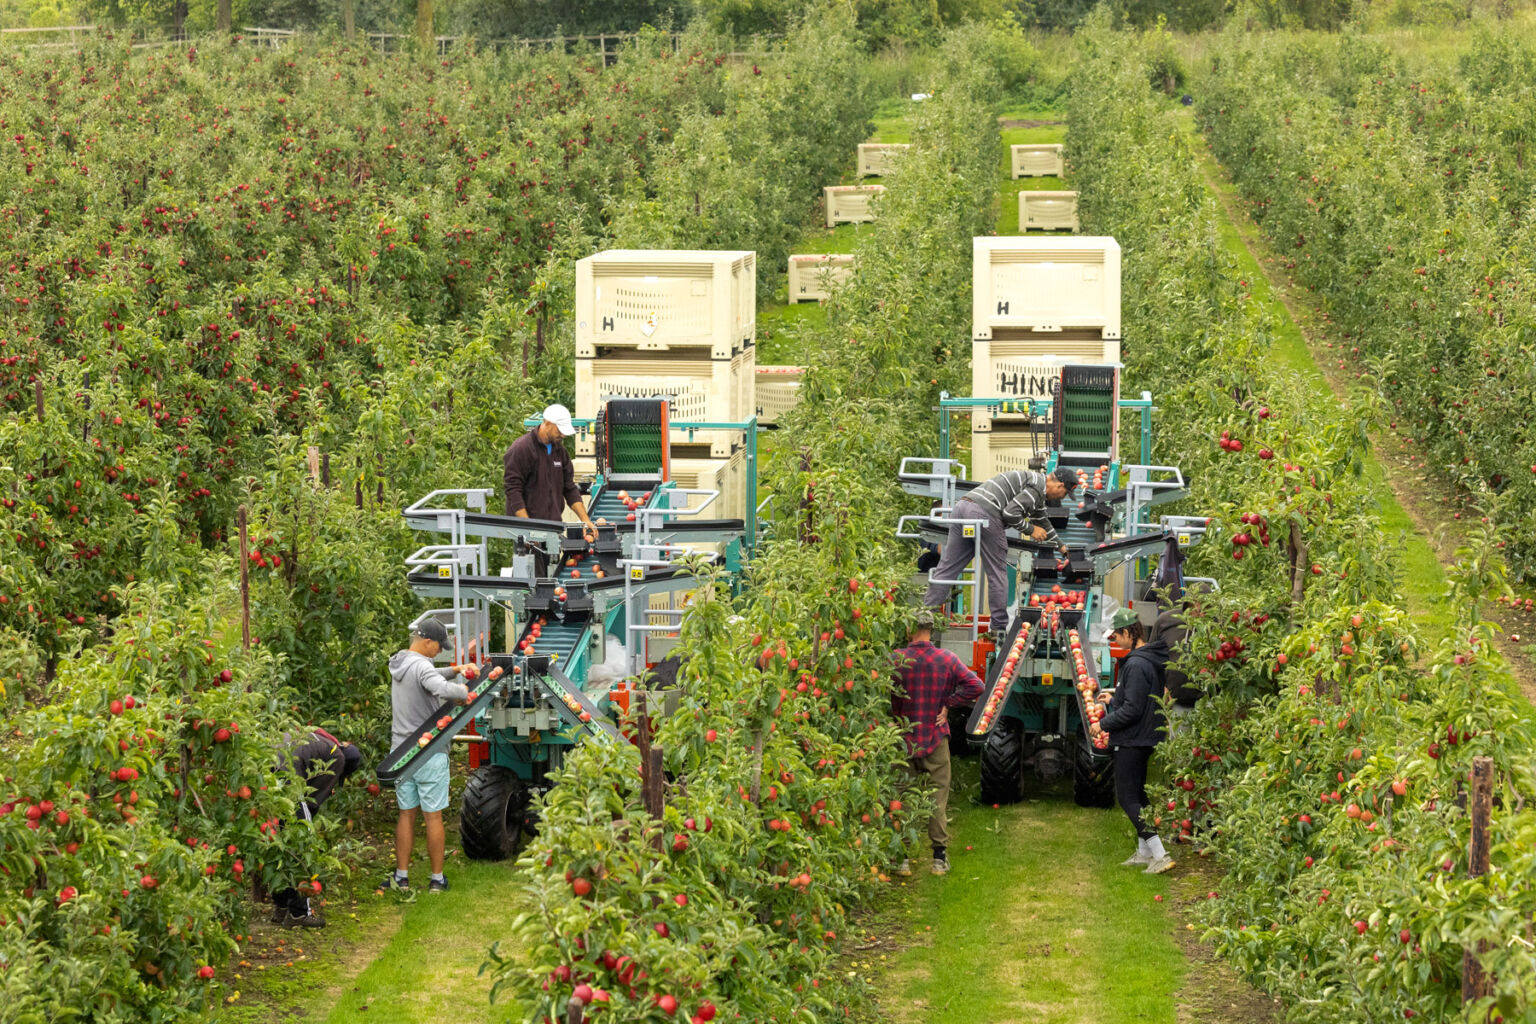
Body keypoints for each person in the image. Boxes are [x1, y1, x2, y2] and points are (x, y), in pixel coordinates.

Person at [378, 618, 483, 895]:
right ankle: (436, 880)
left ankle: (401, 877)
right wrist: (463, 692)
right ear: (427, 641)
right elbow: (439, 687)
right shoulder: (423, 667)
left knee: (406, 814)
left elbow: (425, 675)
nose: (440, 651)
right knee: (433, 817)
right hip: (428, 752)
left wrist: (455, 669)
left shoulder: (400, 662)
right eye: (439, 646)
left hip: (402, 753)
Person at [923, 467, 1079, 637]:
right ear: (1059, 485)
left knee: (947, 569)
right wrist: (1030, 529)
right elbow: (1010, 514)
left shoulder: (1036, 489)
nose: (1061, 498)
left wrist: (1064, 550)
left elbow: (1044, 523)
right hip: (984, 514)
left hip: (963, 508)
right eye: (1064, 494)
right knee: (997, 572)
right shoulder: (1036, 487)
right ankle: (998, 629)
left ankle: (924, 619)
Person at [890, 610, 985, 876]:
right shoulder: (946, 659)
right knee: (937, 798)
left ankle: (902, 859)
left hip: (903, 737)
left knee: (902, 798)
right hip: (935, 737)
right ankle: (939, 859)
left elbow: (884, 694)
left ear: (909, 629)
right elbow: (976, 686)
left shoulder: (896, 659)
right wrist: (947, 704)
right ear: (931, 630)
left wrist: (892, 716)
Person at [1091, 608, 1175, 875]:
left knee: (1127, 798)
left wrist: (1102, 723)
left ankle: (1160, 854)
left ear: (1129, 633)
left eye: (1117, 636)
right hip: (1144, 735)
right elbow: (1138, 701)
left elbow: (1134, 710)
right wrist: (1113, 699)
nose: (1115, 641)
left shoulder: (1137, 664)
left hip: (1134, 738)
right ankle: (1144, 852)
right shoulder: (1145, 659)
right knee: (1138, 794)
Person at [270, 728, 363, 928]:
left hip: (266, 766)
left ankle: (282, 905)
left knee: (277, 842)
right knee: (303, 843)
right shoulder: (336, 757)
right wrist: (308, 823)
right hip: (288, 778)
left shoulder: (319, 738)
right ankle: (299, 913)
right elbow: (312, 801)